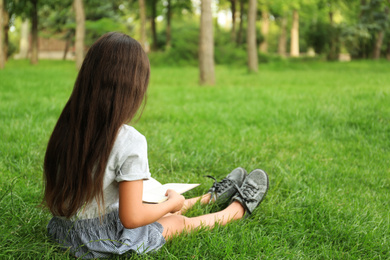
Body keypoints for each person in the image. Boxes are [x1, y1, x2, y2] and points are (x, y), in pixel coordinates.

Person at [43, 32, 269, 259]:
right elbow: (131, 218)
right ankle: (236, 210)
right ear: (133, 87)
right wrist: (171, 206)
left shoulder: (67, 123)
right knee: (176, 222)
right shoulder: (128, 140)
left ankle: (207, 199)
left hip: (63, 231)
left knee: (152, 202)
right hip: (98, 241)